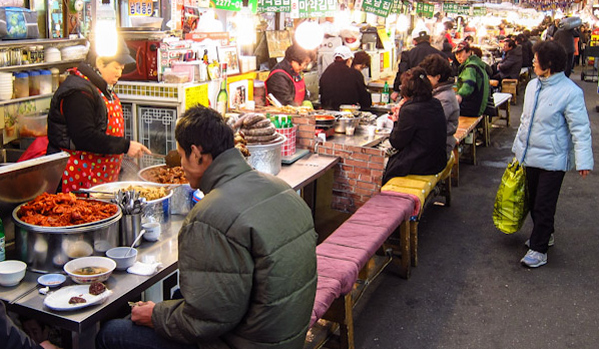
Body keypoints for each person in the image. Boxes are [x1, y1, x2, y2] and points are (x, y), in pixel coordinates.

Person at [97, 105, 317, 349]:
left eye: (181, 155)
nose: (180, 164)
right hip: (286, 337)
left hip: (244, 343)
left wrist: (155, 315)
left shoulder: (209, 217)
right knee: (178, 297)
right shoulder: (282, 188)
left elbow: (205, 322)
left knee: (112, 332)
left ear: (196, 153)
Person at [512, 41, 593, 268]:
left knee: (544, 204)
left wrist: (583, 160)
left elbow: (580, 129)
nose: (533, 61)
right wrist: (518, 151)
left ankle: (539, 249)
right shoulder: (532, 86)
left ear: (549, 64)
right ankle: (545, 233)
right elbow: (525, 123)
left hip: (554, 159)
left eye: (537, 59)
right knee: (534, 199)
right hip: (530, 155)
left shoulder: (570, 92)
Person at [46, 40, 150, 193]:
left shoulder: (100, 88)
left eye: (122, 68)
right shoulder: (78, 92)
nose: (119, 73)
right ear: (100, 62)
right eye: (116, 67)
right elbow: (85, 137)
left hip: (99, 178)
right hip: (76, 178)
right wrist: (125, 146)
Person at [382, 67, 447, 185]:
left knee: (385, 167)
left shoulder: (410, 110)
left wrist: (396, 120)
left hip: (423, 164)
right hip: (438, 160)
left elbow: (396, 142)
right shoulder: (435, 103)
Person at [419, 54, 459, 158]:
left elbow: (431, 124)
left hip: (440, 147)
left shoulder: (444, 98)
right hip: (436, 142)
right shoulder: (439, 92)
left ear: (437, 77)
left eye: (428, 77)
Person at [392, 28, 440, 100]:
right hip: (435, 94)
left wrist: (396, 89)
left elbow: (402, 72)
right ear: (430, 39)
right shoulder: (439, 55)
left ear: (414, 41)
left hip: (411, 94)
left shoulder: (407, 54)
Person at [319, 46, 371, 110]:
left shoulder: (326, 72)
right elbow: (364, 99)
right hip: (347, 112)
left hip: (327, 112)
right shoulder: (355, 74)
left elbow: (321, 91)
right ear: (349, 60)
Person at [454, 42, 490, 117]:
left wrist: (460, 95)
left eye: (460, 53)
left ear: (469, 52)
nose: (458, 56)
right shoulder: (477, 64)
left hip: (473, 108)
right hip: (480, 106)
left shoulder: (470, 67)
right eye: (456, 54)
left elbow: (468, 84)